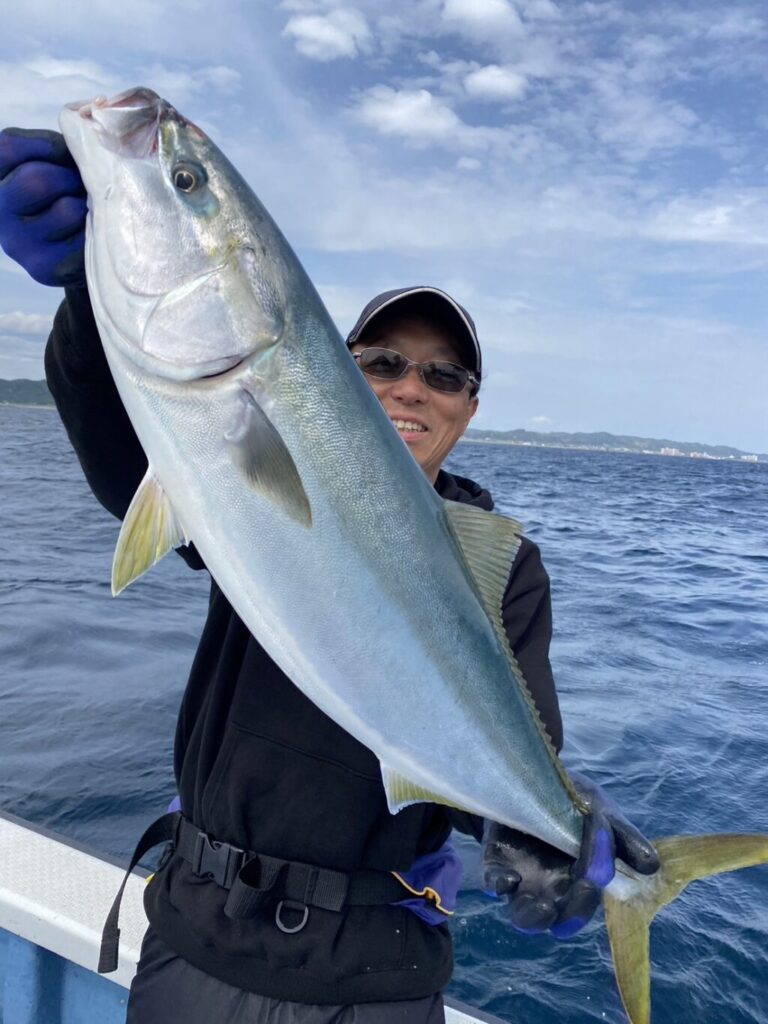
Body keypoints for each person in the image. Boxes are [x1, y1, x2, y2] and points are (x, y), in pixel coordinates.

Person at [0, 126, 659, 1023]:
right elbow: (129, 463)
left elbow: (504, 743)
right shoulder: (254, 483)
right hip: (202, 943)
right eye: (383, 363)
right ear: (339, 375)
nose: (411, 387)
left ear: (469, 409)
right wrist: (87, 298)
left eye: (444, 375)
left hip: (379, 979)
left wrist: (544, 829)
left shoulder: (502, 564)